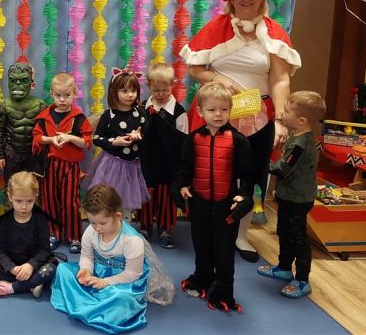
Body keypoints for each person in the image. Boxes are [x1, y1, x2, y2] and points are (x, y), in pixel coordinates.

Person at [181, 0, 301, 263]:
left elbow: (280, 79)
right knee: (211, 172)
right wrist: (219, 79)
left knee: (250, 176)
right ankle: (211, 231)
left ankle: (241, 235)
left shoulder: (273, 34)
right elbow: (195, 68)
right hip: (216, 113)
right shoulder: (215, 28)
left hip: (258, 116)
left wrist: (280, 120)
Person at [172, 82, 254, 313]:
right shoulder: (192, 139)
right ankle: (202, 276)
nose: (218, 114)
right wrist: (180, 186)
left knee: (224, 250)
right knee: (201, 244)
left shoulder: (239, 140)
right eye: (212, 109)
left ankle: (224, 290)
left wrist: (244, 195)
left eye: (224, 109)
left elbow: (248, 175)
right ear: (200, 111)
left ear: (230, 110)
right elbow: (185, 169)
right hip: (199, 203)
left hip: (226, 205)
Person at [50, 184, 173, 334]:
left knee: (122, 298)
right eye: (92, 222)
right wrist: (86, 270)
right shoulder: (91, 231)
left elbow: (132, 274)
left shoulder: (131, 240)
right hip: (98, 273)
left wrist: (105, 282)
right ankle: (96, 306)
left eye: (102, 223)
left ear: (117, 216)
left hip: (123, 281)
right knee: (63, 270)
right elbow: (87, 256)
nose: (97, 228)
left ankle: (87, 303)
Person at [258, 91, 326, 299]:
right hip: (288, 196)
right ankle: (284, 267)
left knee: (297, 238)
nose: (282, 113)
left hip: (298, 199)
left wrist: (260, 161)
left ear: (302, 120)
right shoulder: (296, 136)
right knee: (284, 231)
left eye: (286, 111)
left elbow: (282, 169)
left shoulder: (300, 145)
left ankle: (303, 280)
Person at [32, 72, 93, 253]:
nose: (62, 100)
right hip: (50, 166)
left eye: (67, 95)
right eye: (58, 95)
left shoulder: (79, 118)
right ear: (52, 94)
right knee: (49, 200)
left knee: (70, 202)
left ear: (75, 93)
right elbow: (37, 138)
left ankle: (74, 235)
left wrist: (70, 138)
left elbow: (87, 142)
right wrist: (51, 140)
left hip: (70, 167)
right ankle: (53, 233)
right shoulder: (44, 117)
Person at [0, 171, 58, 298]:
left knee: (51, 268)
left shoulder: (40, 219)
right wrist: (12, 268)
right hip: (13, 264)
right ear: (10, 196)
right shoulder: (5, 220)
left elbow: (44, 250)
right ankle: (32, 284)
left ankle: (10, 288)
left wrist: (30, 265)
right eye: (19, 201)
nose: (24, 207)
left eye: (29, 201)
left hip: (34, 265)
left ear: (35, 197)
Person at [88, 67, 149, 219]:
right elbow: (97, 138)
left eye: (133, 90)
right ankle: (106, 227)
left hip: (133, 167)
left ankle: (124, 228)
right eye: (124, 91)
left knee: (127, 205)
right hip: (112, 166)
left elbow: (149, 135)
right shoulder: (109, 115)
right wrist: (115, 142)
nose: (130, 95)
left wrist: (140, 135)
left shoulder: (140, 113)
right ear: (114, 92)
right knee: (109, 201)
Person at [139, 62, 189, 249]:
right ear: (148, 86)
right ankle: (145, 226)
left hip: (169, 162)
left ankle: (165, 229)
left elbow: (183, 139)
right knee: (147, 195)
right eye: (156, 90)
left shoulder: (179, 112)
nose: (161, 94)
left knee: (167, 198)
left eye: (165, 90)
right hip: (148, 161)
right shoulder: (142, 108)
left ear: (173, 85)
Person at [0, 61, 47, 185]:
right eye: (13, 80)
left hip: (34, 154)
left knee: (34, 186)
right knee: (11, 185)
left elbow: (46, 132)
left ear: (32, 84)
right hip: (12, 154)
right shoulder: (3, 106)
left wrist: (44, 156)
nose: (18, 84)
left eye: (24, 80)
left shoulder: (40, 106)